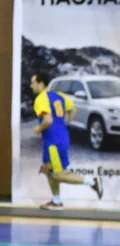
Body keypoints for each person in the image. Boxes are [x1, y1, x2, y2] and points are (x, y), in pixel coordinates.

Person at [30, 72, 103, 210]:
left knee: (58, 174)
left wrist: (38, 129)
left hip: (53, 141)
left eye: (33, 83)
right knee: (47, 169)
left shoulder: (40, 99)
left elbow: (48, 120)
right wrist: (63, 123)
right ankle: (56, 201)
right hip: (60, 137)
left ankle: (92, 181)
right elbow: (73, 109)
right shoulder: (59, 95)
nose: (31, 85)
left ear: (41, 83)